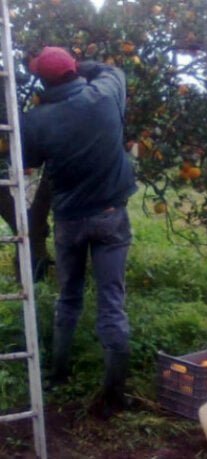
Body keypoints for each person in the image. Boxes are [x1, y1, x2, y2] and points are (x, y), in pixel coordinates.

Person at [22, 47, 137, 418]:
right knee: (112, 304)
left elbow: (28, 164)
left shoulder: (36, 120)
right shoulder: (105, 93)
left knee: (68, 298)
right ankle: (114, 393)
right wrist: (78, 66)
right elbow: (110, 67)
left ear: (42, 80)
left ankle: (57, 374)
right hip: (109, 216)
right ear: (75, 71)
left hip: (69, 220)